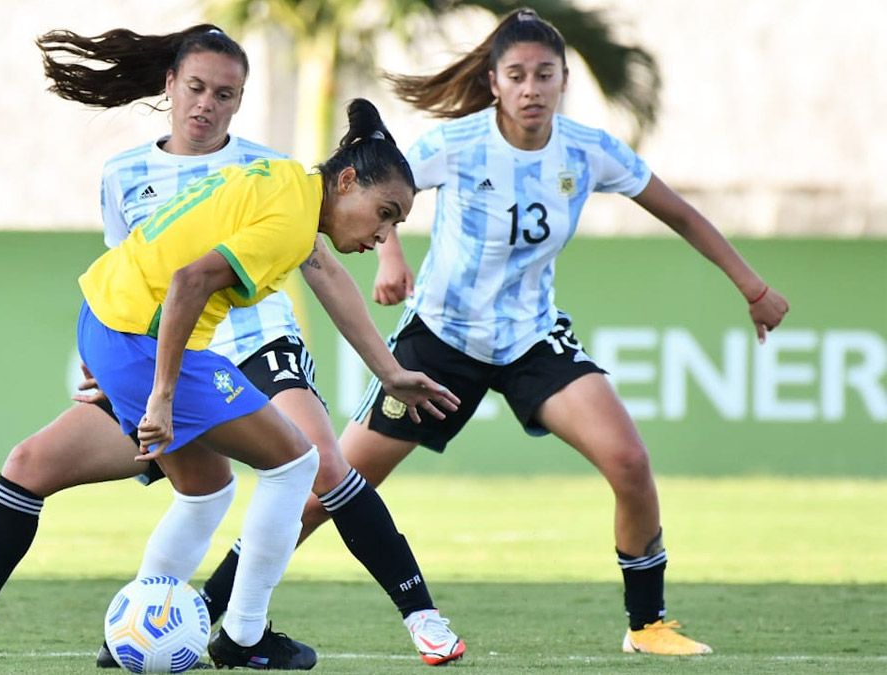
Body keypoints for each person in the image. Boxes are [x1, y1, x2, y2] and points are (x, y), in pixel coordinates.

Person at [0, 25, 462, 669]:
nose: (385, 235)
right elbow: (182, 280)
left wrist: (388, 369)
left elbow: (173, 273)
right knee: (294, 467)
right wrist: (149, 391)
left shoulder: (278, 174)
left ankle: (131, 633)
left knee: (213, 487)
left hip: (150, 336)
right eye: (387, 214)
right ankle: (242, 636)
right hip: (152, 345)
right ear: (347, 181)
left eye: (226, 93)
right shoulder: (275, 201)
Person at [285, 6, 785, 657]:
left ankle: (648, 623)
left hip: (531, 339)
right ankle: (218, 601)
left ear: (563, 80)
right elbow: (383, 186)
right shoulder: (458, 143)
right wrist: (389, 253)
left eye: (543, 75)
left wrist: (752, 286)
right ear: (494, 83)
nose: (530, 88)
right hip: (439, 340)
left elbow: (683, 215)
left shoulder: (588, 151)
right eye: (516, 75)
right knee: (335, 485)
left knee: (630, 461)